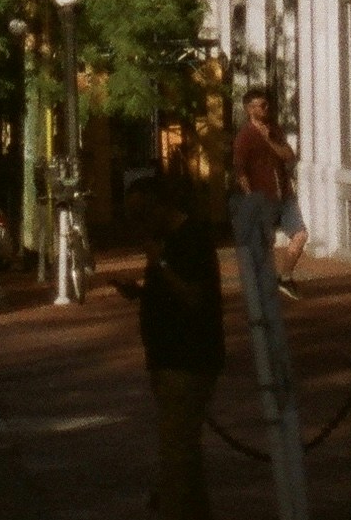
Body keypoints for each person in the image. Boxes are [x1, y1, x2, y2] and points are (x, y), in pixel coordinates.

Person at [128, 173, 224, 520]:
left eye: (143, 215)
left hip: (187, 359)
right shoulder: (169, 240)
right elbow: (172, 294)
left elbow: (194, 296)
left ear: (161, 207)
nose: (141, 226)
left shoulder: (189, 239)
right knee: (184, 453)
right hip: (168, 358)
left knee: (177, 454)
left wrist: (161, 265)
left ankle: (176, 510)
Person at [232, 89, 309, 299]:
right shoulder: (244, 137)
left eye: (267, 105)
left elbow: (289, 155)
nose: (266, 109)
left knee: (300, 235)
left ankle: (285, 277)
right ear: (250, 109)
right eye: (261, 106)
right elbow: (241, 171)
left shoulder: (274, 130)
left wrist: (270, 141)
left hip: (284, 194)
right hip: (262, 196)